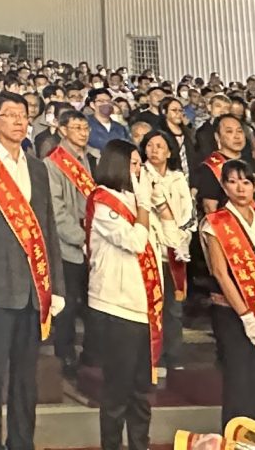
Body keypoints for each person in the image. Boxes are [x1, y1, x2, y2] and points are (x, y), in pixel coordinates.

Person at [0, 91, 62, 450]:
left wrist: (57, 286)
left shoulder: (37, 167)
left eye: (23, 115)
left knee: (26, 378)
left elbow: (47, 230)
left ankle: (22, 442)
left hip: (33, 290)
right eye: (11, 114)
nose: (19, 121)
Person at [84, 141, 162, 450]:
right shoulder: (103, 200)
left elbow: (165, 240)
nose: (140, 170)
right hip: (115, 305)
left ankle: (140, 444)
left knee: (141, 389)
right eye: (134, 164)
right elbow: (135, 242)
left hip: (143, 304)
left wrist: (156, 204)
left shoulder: (137, 200)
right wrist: (144, 206)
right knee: (117, 389)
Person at [200, 160, 255, 424]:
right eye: (233, 182)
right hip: (231, 313)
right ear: (224, 186)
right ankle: (236, 436)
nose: (240, 188)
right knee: (238, 380)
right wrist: (247, 316)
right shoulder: (215, 223)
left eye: (246, 182)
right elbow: (220, 272)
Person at [133, 127, 195, 369]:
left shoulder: (178, 178)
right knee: (149, 304)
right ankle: (150, 355)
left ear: (170, 152)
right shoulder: (140, 175)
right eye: (149, 146)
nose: (154, 150)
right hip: (150, 247)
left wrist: (180, 236)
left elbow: (188, 213)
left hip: (175, 248)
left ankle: (174, 354)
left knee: (172, 307)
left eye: (160, 146)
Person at [43, 108, 98, 382]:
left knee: (94, 301)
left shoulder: (95, 159)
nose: (83, 133)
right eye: (76, 128)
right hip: (70, 245)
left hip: (98, 240)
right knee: (67, 302)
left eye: (85, 128)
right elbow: (57, 209)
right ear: (63, 130)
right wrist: (81, 238)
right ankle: (64, 355)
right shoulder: (53, 163)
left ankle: (92, 353)